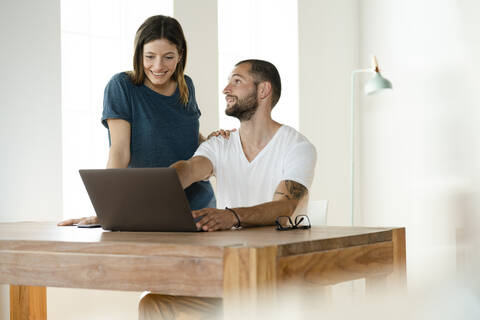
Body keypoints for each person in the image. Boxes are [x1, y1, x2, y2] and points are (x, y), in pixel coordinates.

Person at [138, 59, 317, 319]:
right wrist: (150, 190)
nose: (225, 89)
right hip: (228, 275)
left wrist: (232, 216)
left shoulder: (297, 147)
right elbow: (189, 169)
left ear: (263, 90)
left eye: (237, 81)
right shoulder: (220, 144)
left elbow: (286, 207)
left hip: (276, 278)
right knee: (152, 303)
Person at [59, 15, 229, 227]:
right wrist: (108, 209)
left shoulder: (186, 85)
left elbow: (186, 135)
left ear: (180, 55)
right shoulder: (122, 86)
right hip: (145, 207)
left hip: (199, 208)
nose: (158, 66)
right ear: (139, 54)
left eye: (168, 57)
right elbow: (119, 153)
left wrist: (212, 143)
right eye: (149, 56)